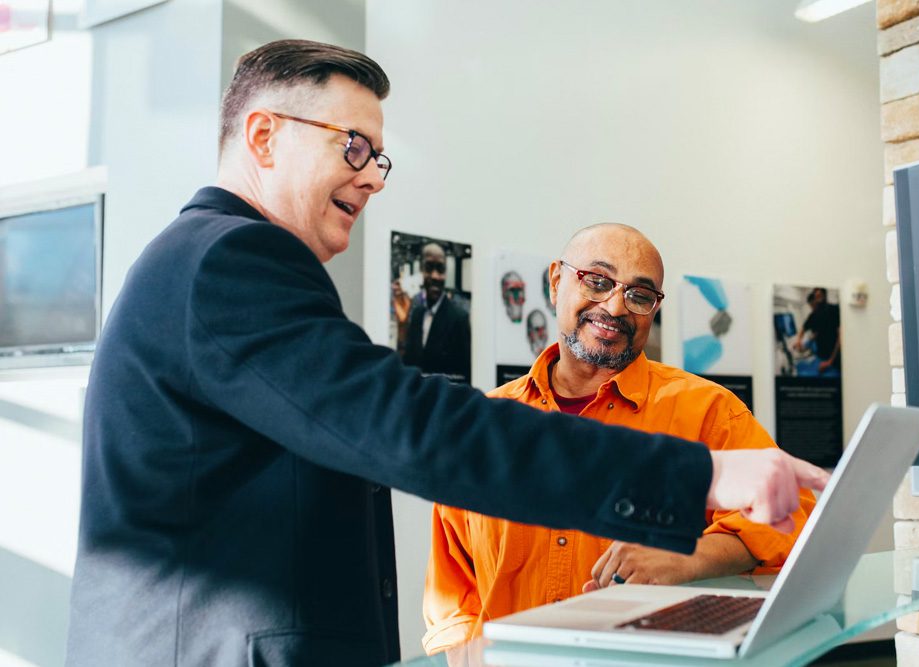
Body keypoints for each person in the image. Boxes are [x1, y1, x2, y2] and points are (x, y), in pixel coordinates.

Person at [65, 40, 828, 667]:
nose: (371, 175)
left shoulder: (211, 263)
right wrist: (705, 474)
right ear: (263, 136)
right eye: (353, 146)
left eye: (379, 157)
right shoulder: (230, 262)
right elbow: (410, 426)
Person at [423, 224, 817, 654]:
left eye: (639, 295)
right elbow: (453, 593)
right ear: (556, 281)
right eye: (597, 281)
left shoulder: (708, 411)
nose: (615, 306)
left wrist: (688, 556)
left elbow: (795, 516)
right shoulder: (487, 424)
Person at [393, 242, 472, 383]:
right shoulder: (417, 314)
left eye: (440, 269)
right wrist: (402, 325)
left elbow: (464, 377)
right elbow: (407, 365)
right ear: (421, 270)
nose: (435, 276)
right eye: (429, 268)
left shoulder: (459, 318)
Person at [794, 287, 841, 376]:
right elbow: (804, 328)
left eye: (820, 295)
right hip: (821, 357)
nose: (817, 299)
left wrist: (830, 361)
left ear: (825, 295)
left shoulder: (834, 309)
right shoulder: (814, 315)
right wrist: (798, 340)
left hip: (834, 359)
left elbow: (840, 337)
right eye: (816, 296)